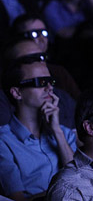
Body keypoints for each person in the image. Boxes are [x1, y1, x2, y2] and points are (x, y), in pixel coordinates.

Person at [0, 61, 76, 200]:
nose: (49, 88)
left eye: (50, 81)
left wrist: (57, 131)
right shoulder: (4, 141)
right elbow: (17, 198)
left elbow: (78, 179)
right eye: (40, 82)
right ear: (17, 93)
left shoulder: (63, 132)